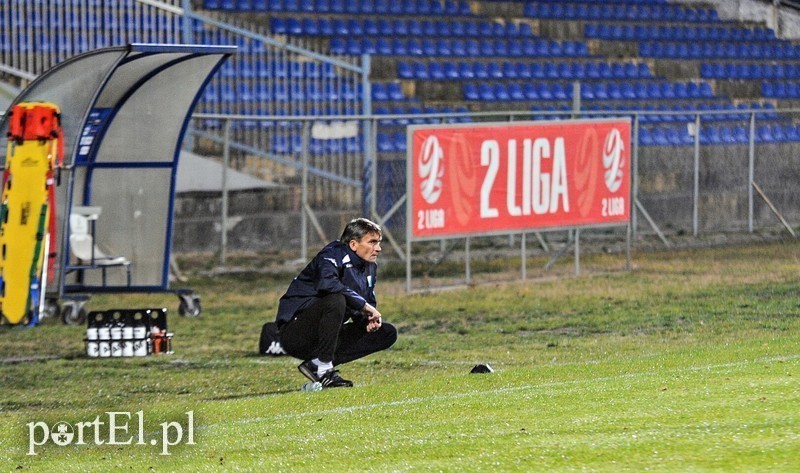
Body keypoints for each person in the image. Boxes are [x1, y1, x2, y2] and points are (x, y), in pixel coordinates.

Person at [275, 217, 397, 388]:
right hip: (296, 333)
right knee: (335, 299)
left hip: (325, 335)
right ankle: (324, 369)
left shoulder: (370, 266)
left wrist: (367, 319)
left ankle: (316, 363)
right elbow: (328, 284)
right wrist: (364, 307)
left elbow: (365, 302)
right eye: (372, 242)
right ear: (353, 244)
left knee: (387, 333)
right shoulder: (332, 254)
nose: (378, 248)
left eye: (378, 242)